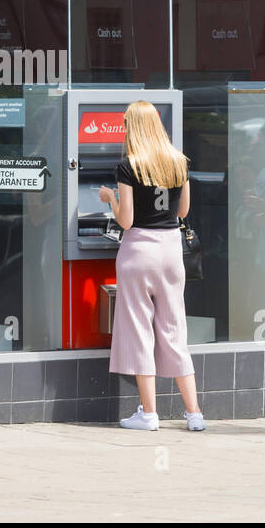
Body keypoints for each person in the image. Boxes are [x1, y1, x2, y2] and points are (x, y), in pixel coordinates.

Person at [99, 100, 203, 432]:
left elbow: (126, 220)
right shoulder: (179, 163)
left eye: (127, 124)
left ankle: (149, 413)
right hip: (171, 252)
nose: (125, 129)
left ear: (134, 127)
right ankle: (195, 414)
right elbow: (183, 211)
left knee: (138, 330)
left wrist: (110, 199)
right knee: (174, 330)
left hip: (139, 252)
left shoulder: (129, 166)